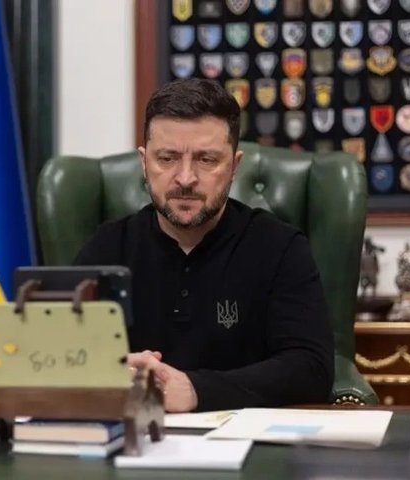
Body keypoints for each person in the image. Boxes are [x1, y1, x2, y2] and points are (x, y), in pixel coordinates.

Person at [74, 78, 334, 412]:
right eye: (167, 158)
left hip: (248, 439)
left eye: (207, 159)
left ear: (234, 166)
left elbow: (312, 368)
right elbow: (61, 357)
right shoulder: (106, 247)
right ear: (144, 162)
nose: (185, 178)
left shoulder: (280, 247)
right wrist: (111, 371)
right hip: (134, 433)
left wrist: (197, 390)